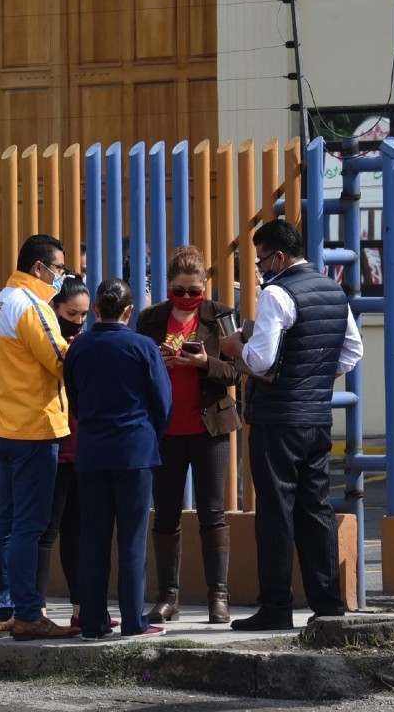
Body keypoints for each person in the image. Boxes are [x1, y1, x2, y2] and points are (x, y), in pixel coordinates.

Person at [219, 219, 362, 631]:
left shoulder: (277, 293)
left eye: (262, 261)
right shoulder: (333, 289)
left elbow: (261, 360)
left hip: (277, 419)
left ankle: (276, 606)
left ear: (279, 256)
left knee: (276, 513)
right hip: (316, 415)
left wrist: (234, 347)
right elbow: (353, 350)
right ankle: (328, 604)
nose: (261, 270)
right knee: (316, 509)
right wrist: (312, 377)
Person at [0, 234, 77, 641]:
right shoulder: (32, 306)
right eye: (59, 269)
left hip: (4, 429)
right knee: (28, 527)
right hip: (35, 428)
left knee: (8, 523)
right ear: (40, 268)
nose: (61, 277)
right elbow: (60, 359)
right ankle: (29, 615)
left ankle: (2, 611)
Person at [136, 246, 241, 625]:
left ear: (205, 287)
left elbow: (236, 371)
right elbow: (135, 369)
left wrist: (203, 363)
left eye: (193, 291)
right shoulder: (150, 319)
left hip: (208, 426)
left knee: (213, 512)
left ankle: (219, 596)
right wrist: (155, 362)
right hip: (165, 429)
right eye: (178, 291)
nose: (185, 298)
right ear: (167, 287)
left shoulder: (221, 317)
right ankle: (169, 597)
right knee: (165, 515)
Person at [63, 278, 172, 640]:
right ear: (129, 311)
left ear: (95, 309)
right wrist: (146, 435)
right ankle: (133, 621)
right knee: (132, 540)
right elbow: (162, 403)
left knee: (93, 540)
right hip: (135, 452)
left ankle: (93, 622)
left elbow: (74, 399)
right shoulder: (143, 347)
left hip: (92, 452)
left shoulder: (78, 347)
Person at [35, 275, 91, 627]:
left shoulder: (85, 343)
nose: (79, 322)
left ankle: (80, 609)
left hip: (82, 447)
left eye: (85, 315)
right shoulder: (42, 342)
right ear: (55, 308)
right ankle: (35, 609)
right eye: (72, 313)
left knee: (78, 534)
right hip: (50, 444)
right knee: (46, 531)